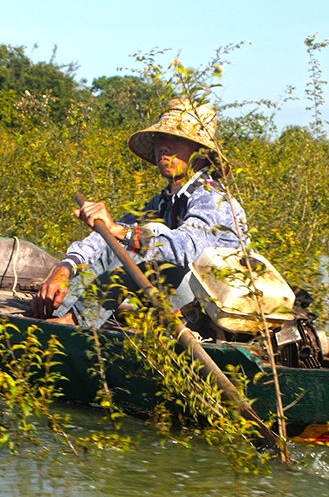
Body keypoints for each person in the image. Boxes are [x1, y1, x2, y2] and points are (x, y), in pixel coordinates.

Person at [32, 98, 249, 326]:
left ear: (201, 153)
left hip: (212, 315)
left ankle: (77, 322)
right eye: (161, 138)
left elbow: (186, 248)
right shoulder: (163, 202)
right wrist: (66, 266)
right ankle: (54, 315)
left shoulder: (213, 198)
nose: (165, 147)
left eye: (177, 139)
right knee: (121, 238)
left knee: (143, 237)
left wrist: (123, 232)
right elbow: (106, 237)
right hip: (176, 307)